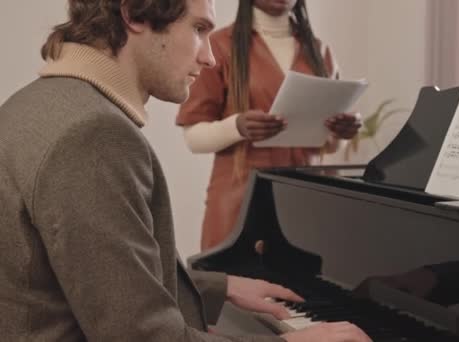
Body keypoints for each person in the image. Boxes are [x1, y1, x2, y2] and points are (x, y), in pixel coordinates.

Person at [0, 0, 371, 341]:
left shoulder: (37, 103)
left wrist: (218, 286)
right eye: (198, 29)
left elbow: (96, 272)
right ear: (133, 14)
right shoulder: (94, 134)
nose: (209, 56)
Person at [176, 0, 361, 250]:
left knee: (301, 287)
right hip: (239, 204)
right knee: (234, 286)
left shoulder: (320, 51)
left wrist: (339, 132)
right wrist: (237, 127)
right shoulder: (220, 46)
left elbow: (327, 148)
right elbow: (193, 138)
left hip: (304, 204)